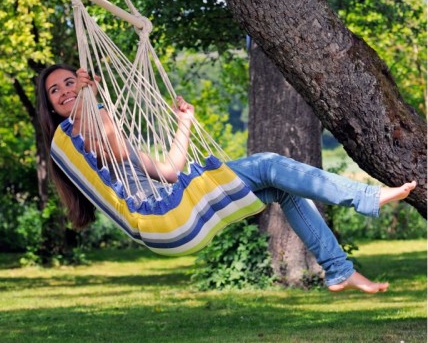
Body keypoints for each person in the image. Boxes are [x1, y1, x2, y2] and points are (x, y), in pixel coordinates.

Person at [37, 64, 417, 294]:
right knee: (268, 163)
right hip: (162, 219)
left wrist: (184, 124)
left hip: (173, 220)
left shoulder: (93, 130)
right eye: (56, 91)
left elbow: (169, 170)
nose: (66, 91)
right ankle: (367, 197)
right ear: (52, 107)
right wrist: (95, 101)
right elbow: (113, 148)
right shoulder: (72, 140)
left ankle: (339, 271)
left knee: (279, 190)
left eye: (69, 83)